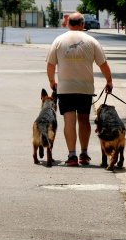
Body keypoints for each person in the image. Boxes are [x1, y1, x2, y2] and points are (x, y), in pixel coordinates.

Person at [46, 12, 114, 167]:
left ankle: (71, 156)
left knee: (69, 121)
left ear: (68, 24)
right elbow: (103, 64)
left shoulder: (58, 41)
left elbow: (50, 65)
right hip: (85, 88)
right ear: (83, 24)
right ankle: (84, 153)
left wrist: (52, 81)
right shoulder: (92, 41)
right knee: (84, 120)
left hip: (65, 88)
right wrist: (109, 81)